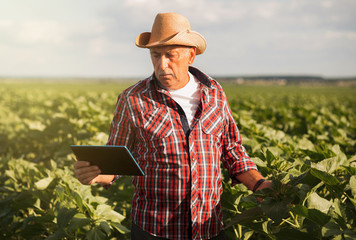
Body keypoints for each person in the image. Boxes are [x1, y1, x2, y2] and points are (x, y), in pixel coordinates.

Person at [74, 12, 271, 240]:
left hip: (208, 228)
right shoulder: (133, 99)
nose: (162, 64)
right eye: (155, 55)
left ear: (191, 56)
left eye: (171, 55)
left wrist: (259, 185)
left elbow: (232, 150)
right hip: (154, 230)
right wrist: (96, 173)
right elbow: (117, 158)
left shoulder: (215, 93)